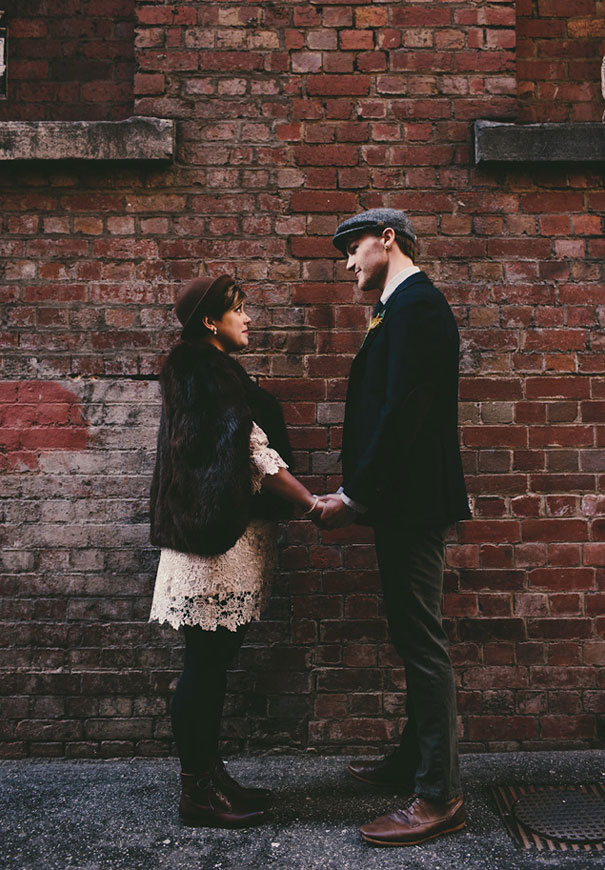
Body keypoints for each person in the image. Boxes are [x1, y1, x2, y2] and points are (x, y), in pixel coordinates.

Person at [149, 274, 324, 828]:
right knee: (204, 667)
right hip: (209, 546)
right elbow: (251, 450)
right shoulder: (203, 371)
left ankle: (210, 777)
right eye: (239, 310)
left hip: (220, 539)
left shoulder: (213, 369)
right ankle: (196, 793)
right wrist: (313, 504)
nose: (248, 319)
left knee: (214, 666)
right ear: (210, 320)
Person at [320, 208, 471, 846]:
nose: (348, 263)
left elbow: (405, 411)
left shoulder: (419, 308)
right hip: (400, 505)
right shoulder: (399, 308)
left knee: (423, 644)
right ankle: (414, 762)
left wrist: (355, 496)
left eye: (353, 248)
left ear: (388, 239)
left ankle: (439, 796)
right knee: (414, 638)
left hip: (410, 506)